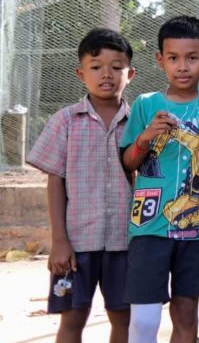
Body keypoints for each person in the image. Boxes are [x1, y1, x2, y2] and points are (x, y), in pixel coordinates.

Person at [119, 16, 199, 342]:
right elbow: (128, 161)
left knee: (187, 314)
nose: (183, 66)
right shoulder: (147, 104)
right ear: (160, 59)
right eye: (173, 58)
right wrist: (146, 137)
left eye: (192, 57)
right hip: (149, 228)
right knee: (144, 319)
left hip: (197, 230)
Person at [27, 29, 136, 343]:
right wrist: (59, 241)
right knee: (72, 319)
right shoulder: (65, 121)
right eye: (96, 66)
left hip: (124, 242)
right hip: (76, 244)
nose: (107, 75)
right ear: (80, 73)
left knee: (123, 318)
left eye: (117, 67)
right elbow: (55, 182)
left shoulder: (139, 123)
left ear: (131, 74)